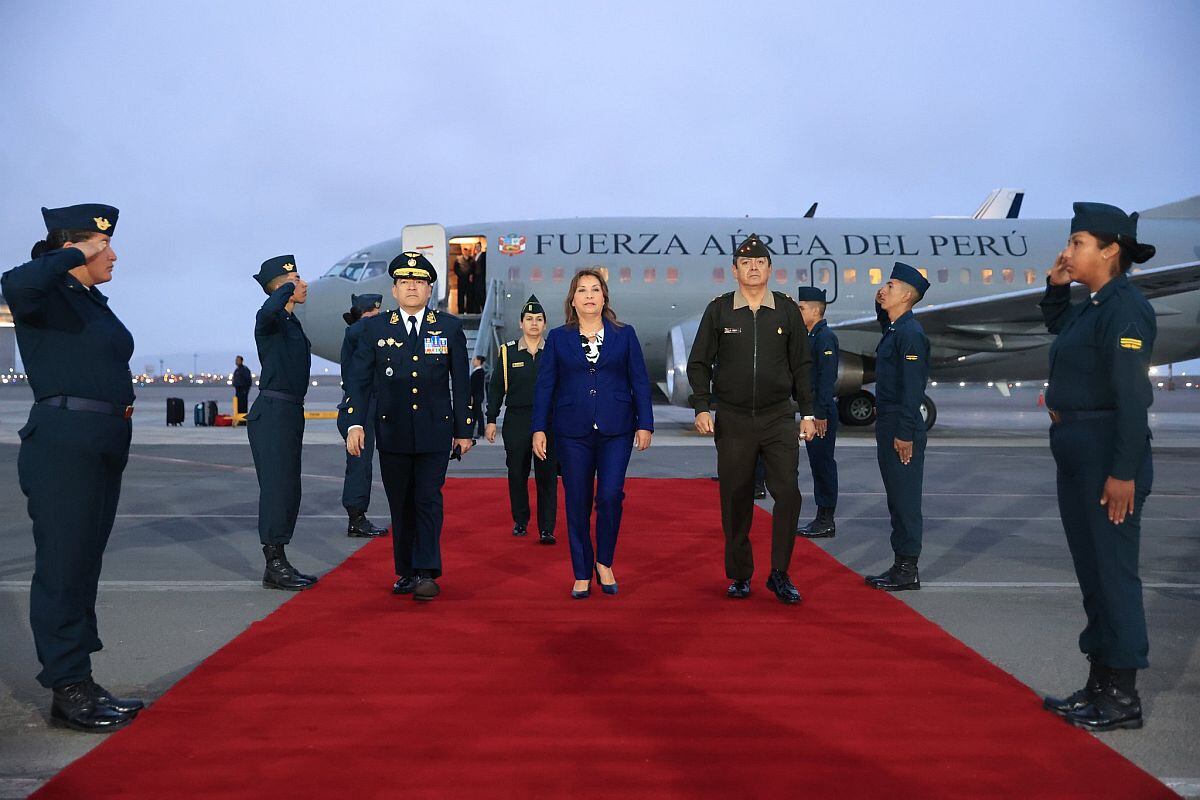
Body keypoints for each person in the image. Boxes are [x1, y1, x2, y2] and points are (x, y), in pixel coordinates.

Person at [3, 203, 145, 731]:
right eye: (103, 246)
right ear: (77, 248)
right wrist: (66, 253)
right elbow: (12, 286)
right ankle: (67, 688)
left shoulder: (87, 299)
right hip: (65, 443)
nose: (113, 255)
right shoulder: (44, 293)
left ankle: (79, 679)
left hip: (102, 441)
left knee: (83, 564)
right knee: (63, 565)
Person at [1039, 203, 1157, 732]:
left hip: (1106, 450)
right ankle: (1099, 682)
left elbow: (1134, 396)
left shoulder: (1125, 309)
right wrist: (1057, 284)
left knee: (1113, 575)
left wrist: (1123, 472)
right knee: (1092, 575)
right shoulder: (1093, 304)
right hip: (1076, 448)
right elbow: (1060, 328)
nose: (1069, 250)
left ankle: (1122, 696)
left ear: (1111, 249)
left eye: (1079, 242)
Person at [687, 233, 815, 604]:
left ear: (770, 269)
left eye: (759, 262)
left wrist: (807, 412)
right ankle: (741, 574)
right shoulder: (720, 310)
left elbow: (802, 366)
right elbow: (699, 362)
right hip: (734, 419)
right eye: (746, 263)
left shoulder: (788, 310)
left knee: (788, 494)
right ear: (734, 270)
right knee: (736, 497)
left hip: (778, 418)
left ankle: (779, 572)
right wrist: (701, 406)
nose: (753, 267)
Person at [343, 252, 474, 601]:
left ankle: (427, 571)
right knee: (400, 503)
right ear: (395, 290)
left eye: (419, 282)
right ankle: (407, 571)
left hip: (434, 430)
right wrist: (355, 421)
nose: (412, 287)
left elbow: (461, 382)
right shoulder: (375, 328)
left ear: (430, 289)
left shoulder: (448, 328)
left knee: (428, 500)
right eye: (405, 282)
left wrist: (464, 429)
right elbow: (358, 380)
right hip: (393, 430)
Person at [532, 269, 653, 598]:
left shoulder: (624, 334)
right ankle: (582, 571)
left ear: (604, 297)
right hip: (572, 430)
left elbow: (639, 380)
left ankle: (605, 561)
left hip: (617, 428)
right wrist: (539, 428)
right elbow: (545, 386)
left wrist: (645, 423)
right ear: (573, 299)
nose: (589, 295)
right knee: (576, 502)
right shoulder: (558, 337)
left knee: (611, 496)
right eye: (582, 290)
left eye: (595, 289)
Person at [247, 255, 319, 591]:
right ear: (284, 285)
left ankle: (280, 559)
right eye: (297, 279)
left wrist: (288, 286)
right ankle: (273, 563)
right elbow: (267, 311)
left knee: (289, 488)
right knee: (277, 488)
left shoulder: (291, 323)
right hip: (273, 412)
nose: (304, 284)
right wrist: (287, 285)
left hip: (290, 411)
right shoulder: (271, 320)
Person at [864, 262, 931, 592]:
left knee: (905, 500)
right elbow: (885, 324)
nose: (883, 289)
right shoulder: (895, 330)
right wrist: (878, 305)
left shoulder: (910, 334)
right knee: (896, 498)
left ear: (906, 295)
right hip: (888, 422)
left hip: (901, 426)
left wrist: (905, 433)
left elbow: (913, 389)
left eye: (890, 286)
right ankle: (900, 564)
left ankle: (907, 569)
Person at [486, 295, 558, 544]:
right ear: (521, 324)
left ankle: (547, 528)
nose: (534, 324)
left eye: (539, 319)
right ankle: (520, 520)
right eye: (529, 319)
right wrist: (491, 418)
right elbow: (495, 388)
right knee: (517, 473)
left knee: (546, 476)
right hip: (517, 420)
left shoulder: (553, 352)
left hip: (548, 423)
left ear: (545, 324)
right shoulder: (507, 353)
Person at [337, 294, 387, 538]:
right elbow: (361, 329)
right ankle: (356, 517)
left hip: (373, 406)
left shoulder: (366, 333)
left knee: (367, 464)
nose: (378, 322)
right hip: (358, 408)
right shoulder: (356, 332)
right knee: (359, 465)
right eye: (373, 317)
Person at [796, 287, 840, 538]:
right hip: (814, 410)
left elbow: (826, 378)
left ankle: (826, 519)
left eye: (802, 308)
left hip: (821, 412)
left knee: (823, 464)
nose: (799, 311)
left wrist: (820, 413)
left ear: (815, 310)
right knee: (817, 463)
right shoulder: (811, 335)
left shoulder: (825, 337)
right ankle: (821, 516)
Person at [470, 355, 487, 440]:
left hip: (477, 396)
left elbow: (475, 386)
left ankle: (480, 432)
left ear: (479, 361)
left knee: (478, 414)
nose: (473, 361)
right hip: (477, 395)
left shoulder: (479, 372)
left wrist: (472, 396)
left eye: (475, 360)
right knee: (475, 414)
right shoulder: (477, 371)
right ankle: (474, 431)